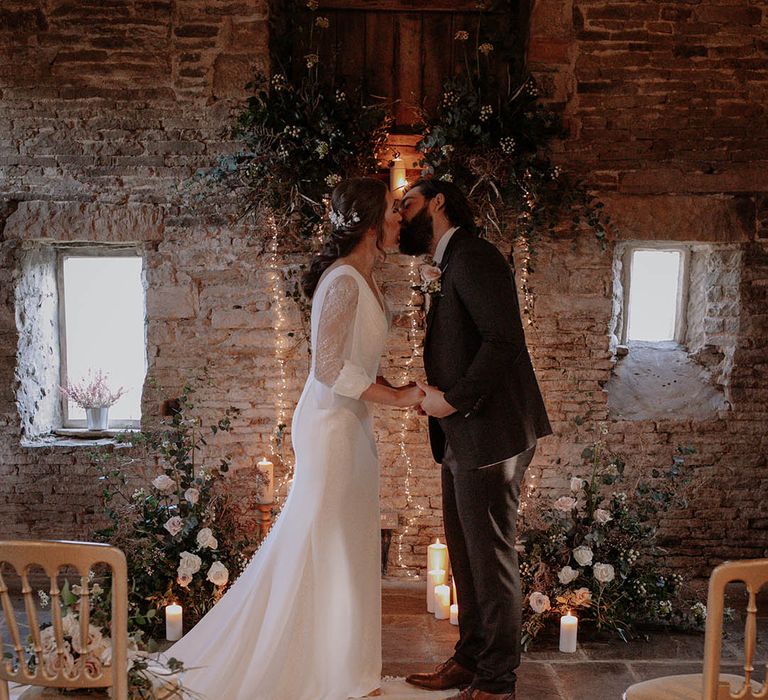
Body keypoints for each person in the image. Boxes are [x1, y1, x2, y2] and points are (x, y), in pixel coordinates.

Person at [168, 177, 424, 700]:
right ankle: (315, 670)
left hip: (351, 424)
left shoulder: (368, 278)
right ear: (373, 224)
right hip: (330, 425)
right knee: (324, 543)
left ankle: (343, 667)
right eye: (395, 213)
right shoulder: (344, 281)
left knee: (346, 545)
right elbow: (329, 368)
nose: (402, 219)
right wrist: (398, 396)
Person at [399, 178, 552, 700]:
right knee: (465, 555)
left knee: (491, 560)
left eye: (408, 203)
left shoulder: (473, 256)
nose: (401, 214)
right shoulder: (451, 262)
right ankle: (469, 658)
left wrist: (456, 399)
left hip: (491, 431)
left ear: (439, 202)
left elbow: (505, 340)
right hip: (463, 433)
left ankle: (496, 681)